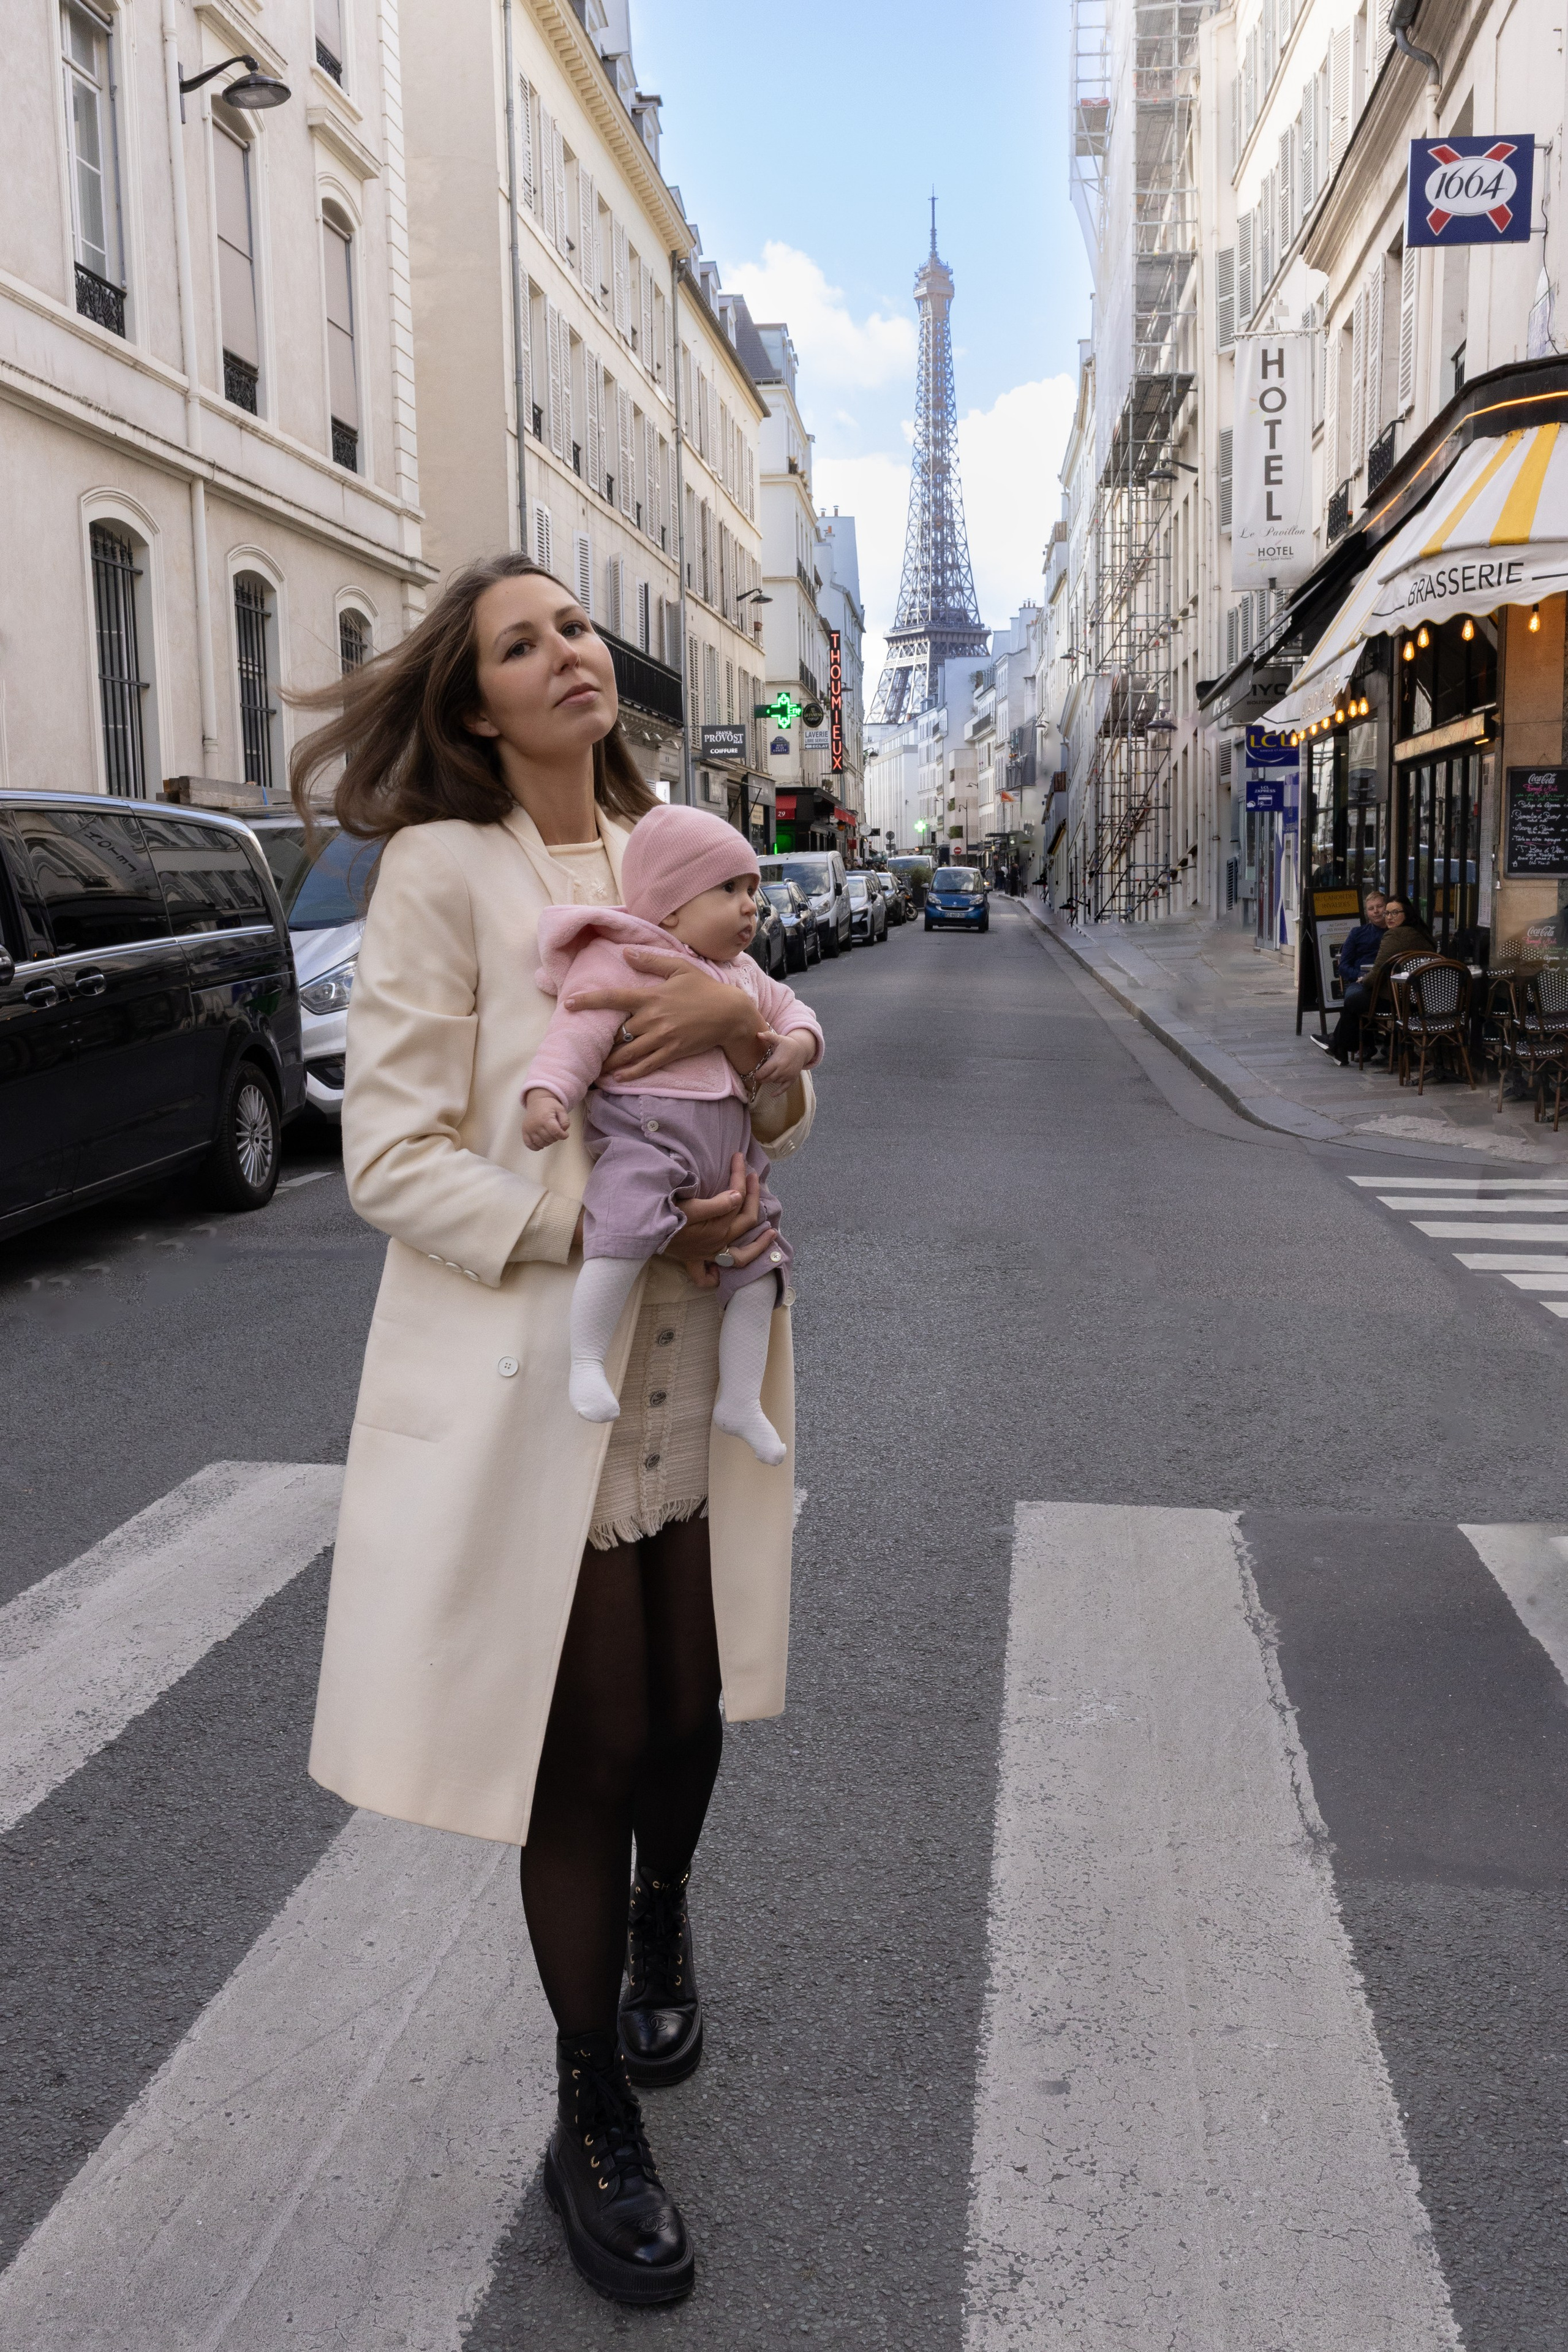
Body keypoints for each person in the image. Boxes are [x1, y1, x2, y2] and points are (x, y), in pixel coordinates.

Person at [292, 555, 816, 2309]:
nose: (567, 651)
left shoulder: (679, 838)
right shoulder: (444, 873)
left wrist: (746, 1024)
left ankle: (669, 1907)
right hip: (555, 1376)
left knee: (691, 1709)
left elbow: (786, 1087)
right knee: (588, 1746)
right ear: (474, 706)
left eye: (573, 625)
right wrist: (604, 1216)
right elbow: (391, 1158)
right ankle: (590, 2105)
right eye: (522, 643)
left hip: (705, 1349)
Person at [522, 804, 822, 1464]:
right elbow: (574, 1037)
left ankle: (740, 1399)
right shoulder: (627, 957)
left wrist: (798, 1043)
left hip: (730, 1158)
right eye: (728, 890)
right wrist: (547, 1096)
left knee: (764, 1265)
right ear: (670, 909)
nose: (750, 907)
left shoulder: (745, 976)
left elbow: (793, 1010)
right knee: (622, 1221)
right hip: (646, 1137)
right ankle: (586, 1358)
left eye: (752, 891)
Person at [1325, 895, 1434, 1066]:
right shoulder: (1421, 932)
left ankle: (1340, 1045)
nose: (1389, 917)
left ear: (1408, 913)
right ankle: (1340, 1045)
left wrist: (1364, 981)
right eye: (1388, 913)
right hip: (1422, 997)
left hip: (1399, 999)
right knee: (1355, 998)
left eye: (1395, 913)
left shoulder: (1395, 936)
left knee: (1354, 1000)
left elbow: (1377, 973)